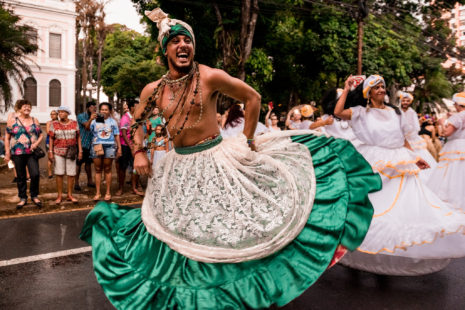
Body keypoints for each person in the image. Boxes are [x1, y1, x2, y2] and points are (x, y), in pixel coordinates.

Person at [80, 8, 380, 309]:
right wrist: (141, 152)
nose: (183, 45)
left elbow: (253, 98)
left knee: (228, 228)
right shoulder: (154, 90)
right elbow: (136, 123)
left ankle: (234, 292)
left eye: (187, 40)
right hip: (177, 166)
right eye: (175, 41)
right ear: (164, 50)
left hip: (215, 158)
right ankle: (191, 293)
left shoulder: (209, 76)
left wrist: (248, 139)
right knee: (179, 234)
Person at [334, 75, 465, 276]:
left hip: (399, 159)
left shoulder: (395, 113)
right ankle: (361, 241)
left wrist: (414, 157)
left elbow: (402, 138)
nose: (381, 89)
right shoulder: (361, 112)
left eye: (382, 86)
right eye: (376, 87)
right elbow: (338, 112)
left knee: (407, 203)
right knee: (374, 201)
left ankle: (396, 249)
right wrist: (346, 88)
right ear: (368, 93)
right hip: (373, 158)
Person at [427, 92, 465, 210]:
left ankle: (451, 199)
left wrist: (443, 123)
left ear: (458, 104)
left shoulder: (458, 116)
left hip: (456, 146)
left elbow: (446, 133)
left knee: (452, 173)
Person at [4, 99, 44, 209]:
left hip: (31, 152)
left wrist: (36, 144)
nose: (27, 108)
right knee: (21, 176)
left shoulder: (34, 120)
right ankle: (23, 198)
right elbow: (7, 138)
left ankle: (34, 195)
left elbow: (41, 134)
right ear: (19, 108)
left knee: (35, 174)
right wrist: (7, 152)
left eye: (29, 106)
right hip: (17, 152)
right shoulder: (13, 121)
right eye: (25, 106)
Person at [398, 91, 437, 179]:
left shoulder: (412, 113)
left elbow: (416, 127)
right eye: (403, 100)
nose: (405, 102)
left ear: (410, 102)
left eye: (407, 101)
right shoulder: (397, 111)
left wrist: (408, 132)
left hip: (411, 138)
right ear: (401, 101)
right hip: (400, 137)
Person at [48, 106, 83, 204]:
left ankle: (69, 195)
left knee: (71, 174)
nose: (60, 114)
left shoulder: (74, 123)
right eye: (59, 112)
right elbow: (51, 138)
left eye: (63, 112)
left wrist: (80, 151)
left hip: (71, 152)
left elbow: (78, 137)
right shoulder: (54, 124)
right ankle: (59, 196)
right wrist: (50, 152)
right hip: (58, 151)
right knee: (59, 173)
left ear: (68, 113)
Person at [90, 102, 121, 202]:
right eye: (102, 109)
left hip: (109, 146)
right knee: (98, 169)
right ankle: (98, 192)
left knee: (107, 169)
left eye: (106, 109)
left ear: (110, 111)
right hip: (97, 146)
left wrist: (119, 148)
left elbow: (116, 135)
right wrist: (91, 119)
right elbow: (88, 129)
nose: (103, 111)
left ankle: (108, 192)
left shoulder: (113, 122)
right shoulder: (95, 121)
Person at [116, 100, 143, 196]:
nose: (138, 108)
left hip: (136, 145)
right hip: (125, 146)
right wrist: (131, 147)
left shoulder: (138, 118)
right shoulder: (125, 118)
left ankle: (134, 188)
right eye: (136, 106)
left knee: (135, 167)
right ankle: (121, 188)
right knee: (122, 168)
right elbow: (123, 134)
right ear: (131, 107)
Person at [76, 101, 97, 191]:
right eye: (92, 107)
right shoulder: (81, 116)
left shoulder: (96, 117)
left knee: (88, 164)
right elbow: (87, 127)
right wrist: (91, 119)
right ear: (88, 108)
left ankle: (90, 181)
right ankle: (76, 183)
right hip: (81, 143)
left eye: (95, 107)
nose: (94, 109)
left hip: (91, 144)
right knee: (78, 164)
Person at [45, 110, 58, 179]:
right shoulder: (48, 122)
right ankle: (50, 173)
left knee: (57, 157)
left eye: (54, 114)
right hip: (49, 141)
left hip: (58, 142)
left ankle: (57, 171)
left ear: (57, 115)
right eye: (51, 114)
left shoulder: (59, 122)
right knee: (50, 157)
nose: (52, 115)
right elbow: (48, 132)